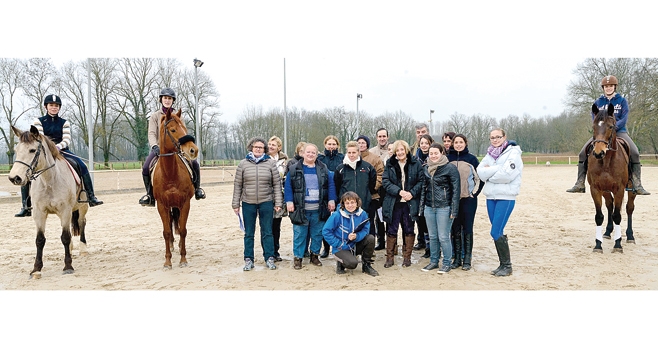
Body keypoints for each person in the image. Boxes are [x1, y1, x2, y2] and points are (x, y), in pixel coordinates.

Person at [16, 94, 103, 217]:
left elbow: (67, 139)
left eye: (56, 106)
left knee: (81, 165)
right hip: (44, 152)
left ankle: (91, 196)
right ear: (46, 106)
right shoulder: (38, 121)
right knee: (28, 171)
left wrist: (58, 147)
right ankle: (26, 205)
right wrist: (50, 148)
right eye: (51, 105)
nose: (54, 107)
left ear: (59, 108)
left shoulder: (64, 122)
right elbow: (40, 137)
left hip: (61, 150)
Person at [566, 75, 650, 195]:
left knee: (635, 152)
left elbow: (624, 118)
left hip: (619, 132)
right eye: (606, 86)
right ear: (603, 88)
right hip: (601, 134)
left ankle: (637, 183)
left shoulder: (622, 101)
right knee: (582, 153)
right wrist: (603, 129)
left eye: (610, 86)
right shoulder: (598, 102)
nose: (608, 88)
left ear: (614, 87)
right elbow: (595, 120)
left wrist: (613, 127)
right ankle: (580, 183)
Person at [139, 87, 205, 207]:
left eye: (169, 98)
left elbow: (183, 132)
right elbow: (151, 133)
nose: (167, 100)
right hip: (160, 149)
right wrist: (154, 146)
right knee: (145, 168)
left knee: (194, 163)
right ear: (161, 99)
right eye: (165, 98)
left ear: (172, 100)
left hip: (177, 148)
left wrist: (182, 145)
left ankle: (197, 189)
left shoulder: (178, 116)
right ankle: (149, 195)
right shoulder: (155, 116)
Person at [232, 137, 283, 271]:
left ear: (264, 149)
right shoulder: (243, 164)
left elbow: (276, 184)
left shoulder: (270, 164)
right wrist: (235, 204)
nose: (258, 149)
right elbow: (238, 185)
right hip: (248, 203)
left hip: (266, 202)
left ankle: (269, 258)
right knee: (249, 233)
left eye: (261, 147)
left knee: (267, 232)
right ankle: (248, 259)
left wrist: (278, 202)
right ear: (251, 148)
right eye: (256, 147)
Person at [477, 128, 523, 277]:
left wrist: (490, 173)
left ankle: (507, 265)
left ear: (504, 137)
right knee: (498, 231)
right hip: (491, 197)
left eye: (498, 137)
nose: (495, 140)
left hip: (506, 197)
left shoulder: (513, 153)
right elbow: (480, 172)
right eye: (492, 138)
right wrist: (495, 170)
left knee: (495, 231)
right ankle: (503, 264)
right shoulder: (490, 154)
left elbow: (506, 175)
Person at [285, 143, 337, 269]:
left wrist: (331, 200)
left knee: (317, 234)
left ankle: (315, 256)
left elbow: (330, 185)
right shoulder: (294, 169)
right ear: (303, 153)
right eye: (308, 152)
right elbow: (288, 186)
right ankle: (298, 258)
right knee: (299, 234)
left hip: (319, 209)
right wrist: (289, 201)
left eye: (313, 152)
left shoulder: (323, 168)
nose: (310, 154)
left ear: (316, 154)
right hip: (300, 209)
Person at [381, 140, 424, 268]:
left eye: (402, 150)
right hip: (394, 202)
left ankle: (407, 257)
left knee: (409, 229)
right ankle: (390, 258)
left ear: (406, 150)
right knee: (392, 229)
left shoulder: (416, 163)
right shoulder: (390, 164)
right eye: (397, 150)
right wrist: (399, 191)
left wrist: (411, 193)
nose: (400, 153)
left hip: (410, 202)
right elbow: (385, 182)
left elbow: (421, 181)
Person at [420, 143, 460, 274]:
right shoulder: (426, 168)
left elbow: (456, 191)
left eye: (436, 153)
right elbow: (423, 189)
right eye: (431, 153)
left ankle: (447, 263)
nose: (433, 156)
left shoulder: (450, 168)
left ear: (442, 153)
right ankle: (434, 261)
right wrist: (422, 207)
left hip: (444, 207)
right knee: (432, 236)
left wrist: (454, 210)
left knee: (443, 236)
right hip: (429, 207)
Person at [446, 134, 484, 270]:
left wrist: (473, 194)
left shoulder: (471, 159)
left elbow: (480, 178)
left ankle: (467, 258)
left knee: (467, 229)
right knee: (455, 229)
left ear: (465, 143)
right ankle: (456, 259)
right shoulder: (447, 159)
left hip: (468, 200)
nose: (458, 144)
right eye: (456, 142)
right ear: (452, 144)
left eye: (461, 142)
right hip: (452, 200)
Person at [322, 192, 379, 276]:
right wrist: (339, 244)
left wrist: (357, 236)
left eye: (352, 202)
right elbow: (326, 231)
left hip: (355, 244)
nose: (350, 205)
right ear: (343, 204)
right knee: (352, 264)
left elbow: (366, 229)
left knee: (370, 238)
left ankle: (366, 265)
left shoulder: (362, 214)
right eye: (347, 203)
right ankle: (340, 263)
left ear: (357, 203)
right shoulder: (337, 215)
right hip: (340, 247)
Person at [316, 135, 344, 258]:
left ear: (337, 145)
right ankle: (326, 248)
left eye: (334, 144)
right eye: (329, 144)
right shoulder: (320, 158)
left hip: (340, 192)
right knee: (326, 222)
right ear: (325, 145)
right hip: (324, 193)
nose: (331, 146)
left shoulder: (342, 158)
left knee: (340, 221)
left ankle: (340, 247)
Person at [334, 141, 377, 216]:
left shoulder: (368, 167)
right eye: (349, 152)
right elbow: (337, 186)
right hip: (346, 207)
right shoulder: (340, 169)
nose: (351, 155)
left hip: (364, 206)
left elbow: (371, 185)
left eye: (354, 152)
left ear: (359, 152)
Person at [356, 135, 385, 244]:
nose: (361, 145)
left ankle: (370, 246)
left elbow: (380, 174)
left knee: (370, 221)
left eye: (363, 143)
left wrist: (373, 188)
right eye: (359, 143)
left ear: (367, 144)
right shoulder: (352, 157)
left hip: (371, 196)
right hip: (355, 197)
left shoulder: (374, 158)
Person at [412, 134, 435, 257]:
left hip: (431, 194)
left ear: (430, 144)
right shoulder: (415, 159)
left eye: (426, 143)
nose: (424, 145)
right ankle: (426, 247)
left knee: (431, 223)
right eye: (422, 143)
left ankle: (433, 248)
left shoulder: (435, 157)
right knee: (421, 222)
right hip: (418, 194)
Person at [369, 128, 390, 250]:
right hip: (378, 190)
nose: (382, 139)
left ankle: (391, 242)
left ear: (387, 137)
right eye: (380, 136)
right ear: (376, 137)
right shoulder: (372, 152)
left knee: (390, 217)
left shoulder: (392, 149)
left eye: (384, 136)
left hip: (390, 189)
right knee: (379, 216)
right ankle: (380, 241)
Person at [268, 136, 288, 262]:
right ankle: (268, 252)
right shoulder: (263, 159)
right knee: (267, 226)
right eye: (269, 144)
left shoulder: (284, 160)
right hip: (265, 195)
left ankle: (276, 251)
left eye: (273, 145)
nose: (270, 146)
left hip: (279, 196)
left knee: (276, 226)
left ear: (279, 147)